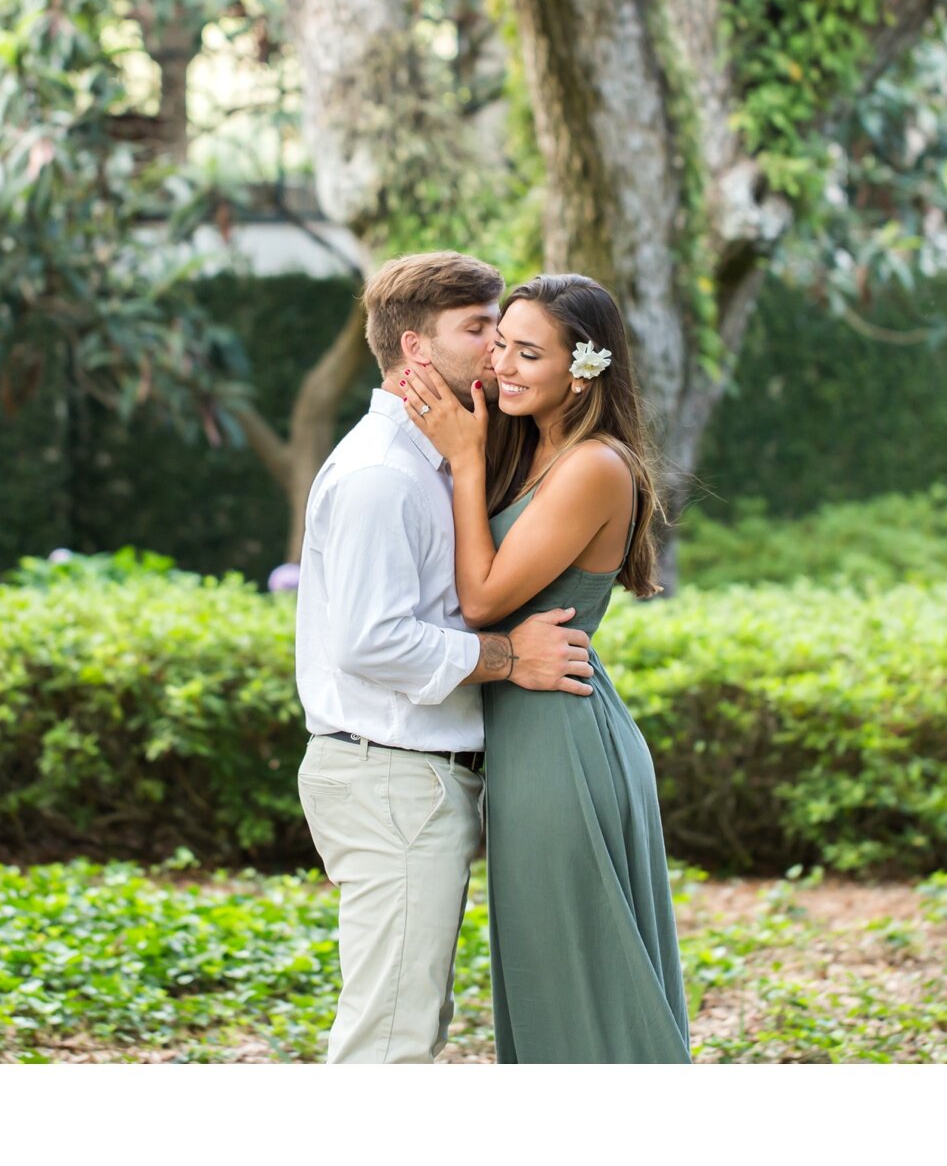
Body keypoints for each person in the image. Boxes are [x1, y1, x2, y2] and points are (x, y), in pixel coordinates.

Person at [295, 251, 599, 1065]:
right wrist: (507, 658)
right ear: (417, 350)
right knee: (389, 1037)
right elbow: (371, 639)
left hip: (413, 779)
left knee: (408, 1021)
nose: (499, 345)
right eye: (479, 328)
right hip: (391, 774)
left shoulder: (435, 460)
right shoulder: (382, 475)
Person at [402, 273, 691, 1063]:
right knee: (544, 965)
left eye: (529, 353)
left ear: (585, 368)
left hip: (563, 739)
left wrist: (465, 462)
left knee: (580, 971)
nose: (505, 366)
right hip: (529, 732)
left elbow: (484, 597)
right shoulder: (530, 447)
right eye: (500, 346)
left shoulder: (595, 466)